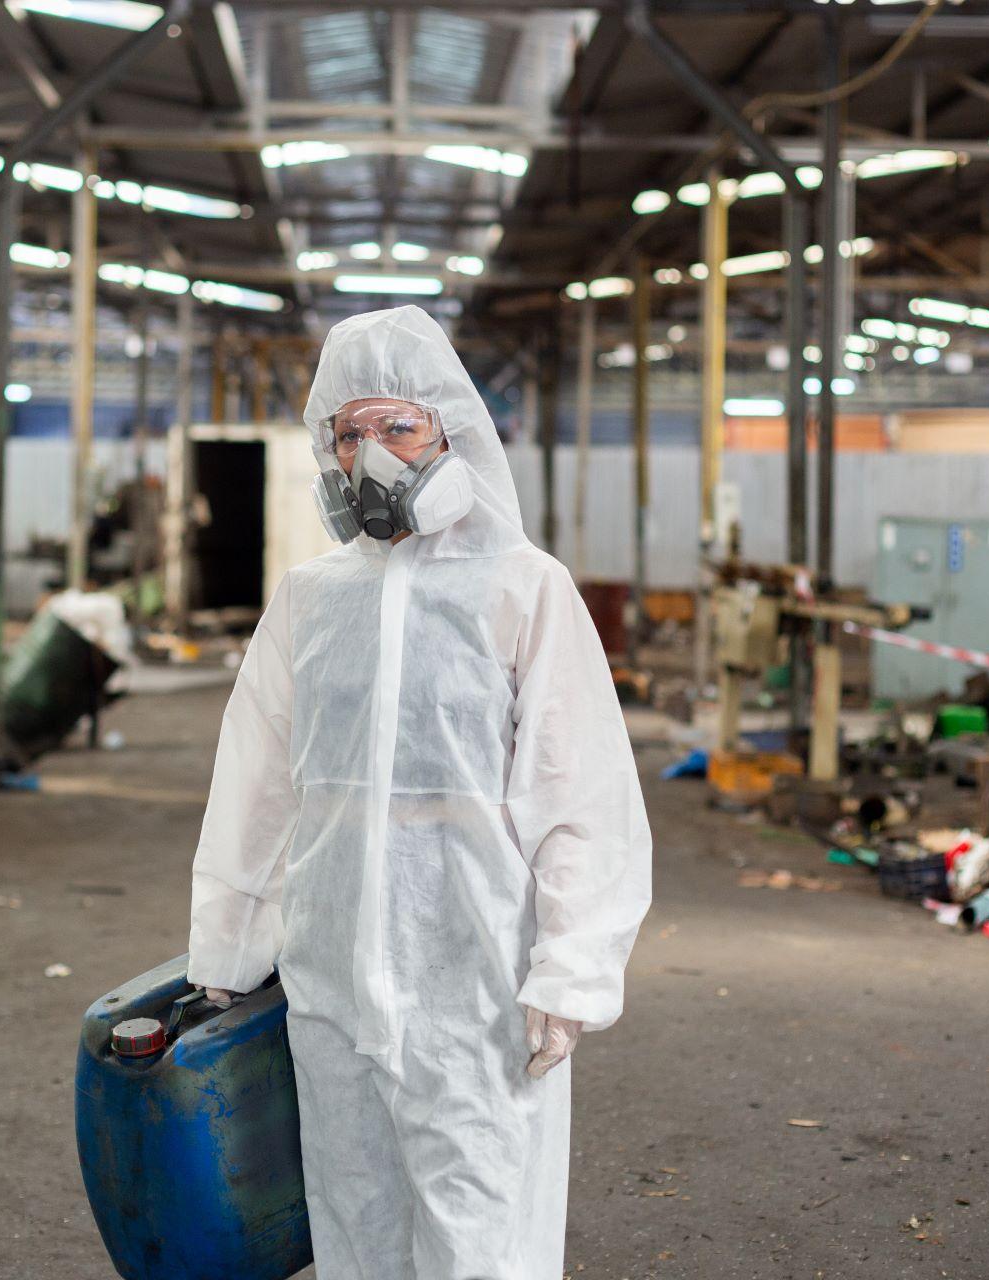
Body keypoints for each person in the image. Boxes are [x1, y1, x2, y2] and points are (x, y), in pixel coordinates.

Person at [187, 305, 651, 1280]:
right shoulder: (314, 598)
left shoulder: (521, 586)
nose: (370, 459)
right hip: (331, 979)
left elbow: (583, 791)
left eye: (396, 428)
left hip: (475, 982)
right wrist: (228, 939)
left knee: (480, 1231)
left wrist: (572, 965)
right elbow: (259, 776)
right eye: (347, 434)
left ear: (451, 433)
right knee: (354, 1222)